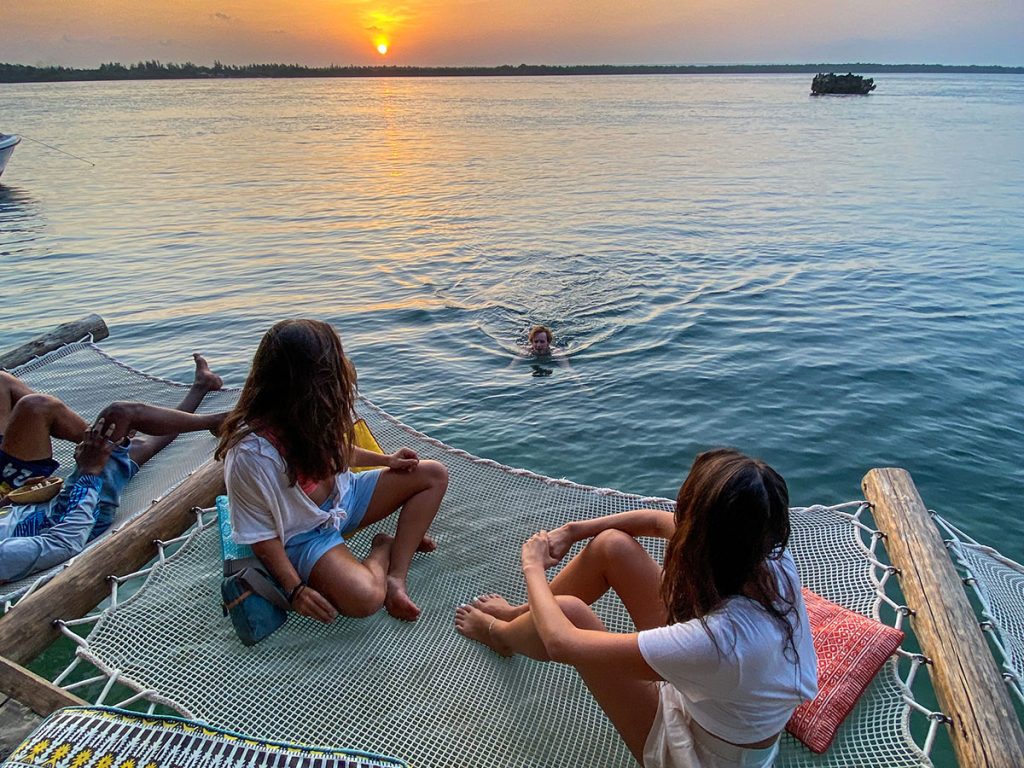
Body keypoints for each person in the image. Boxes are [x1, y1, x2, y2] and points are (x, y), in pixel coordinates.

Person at [455, 449, 818, 768]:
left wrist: (532, 567)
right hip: (721, 698)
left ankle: (499, 635)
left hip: (702, 754)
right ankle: (521, 614)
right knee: (612, 546)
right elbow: (655, 521)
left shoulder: (720, 641)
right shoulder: (767, 558)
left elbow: (561, 644)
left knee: (566, 613)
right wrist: (574, 530)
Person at [216, 319, 449, 623]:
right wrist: (295, 588)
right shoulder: (250, 455)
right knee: (365, 599)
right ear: (311, 381)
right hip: (304, 534)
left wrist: (387, 461)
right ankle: (384, 547)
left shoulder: (309, 413)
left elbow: (336, 452)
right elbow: (260, 535)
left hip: (346, 496)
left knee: (433, 474)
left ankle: (396, 577)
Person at [0, 355, 226, 584]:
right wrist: (90, 471)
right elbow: (65, 542)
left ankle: (201, 388)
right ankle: (219, 420)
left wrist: (10, 501)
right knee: (121, 414)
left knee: (137, 446)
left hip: (43, 505)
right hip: (82, 510)